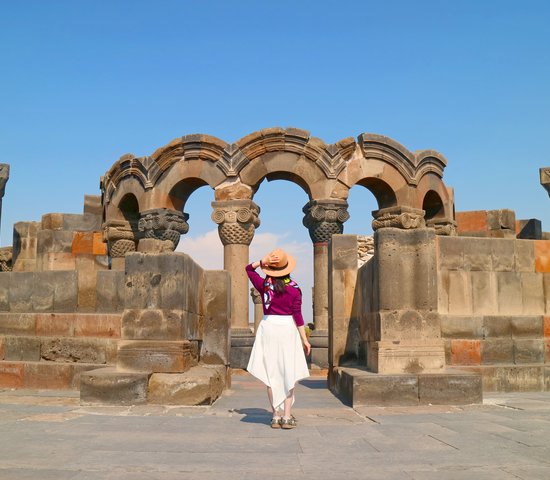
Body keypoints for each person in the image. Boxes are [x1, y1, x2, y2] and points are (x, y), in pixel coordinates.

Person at [245, 248, 311, 430]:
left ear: (270, 269)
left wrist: (262, 261)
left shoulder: (265, 286)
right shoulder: (295, 289)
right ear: (287, 269)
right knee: (288, 372)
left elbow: (248, 269)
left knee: (271, 374)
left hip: (269, 327)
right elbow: (297, 316)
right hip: (288, 329)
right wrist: (304, 339)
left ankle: (275, 416)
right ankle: (287, 417)